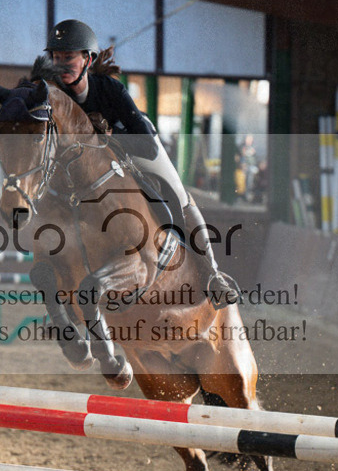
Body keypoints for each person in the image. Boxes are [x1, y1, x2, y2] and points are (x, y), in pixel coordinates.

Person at [45, 19, 240, 307]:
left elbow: (145, 139)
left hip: (136, 147)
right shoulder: (53, 97)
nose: (61, 64)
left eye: (68, 57)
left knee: (179, 195)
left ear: (87, 59)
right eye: (56, 58)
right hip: (84, 171)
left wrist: (108, 137)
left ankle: (212, 275)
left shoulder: (110, 90)